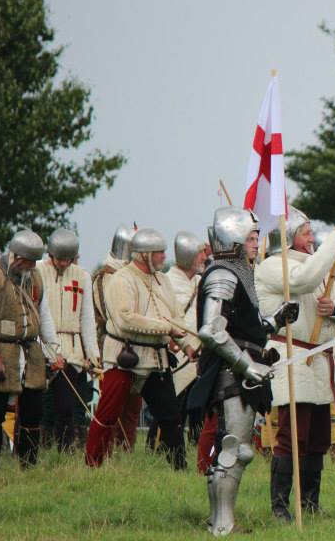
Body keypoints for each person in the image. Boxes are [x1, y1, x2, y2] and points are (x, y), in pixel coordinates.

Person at [188, 207, 298, 536]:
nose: (256, 243)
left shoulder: (240, 273)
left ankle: (223, 521)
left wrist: (278, 318)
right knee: (233, 447)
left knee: (239, 448)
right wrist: (247, 366)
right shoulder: (223, 274)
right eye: (250, 238)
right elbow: (211, 330)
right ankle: (221, 525)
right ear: (234, 241)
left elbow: (249, 327)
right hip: (229, 371)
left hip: (241, 370)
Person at [255, 207, 335, 520]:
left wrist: (334, 308)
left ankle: (310, 504)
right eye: (306, 232)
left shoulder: (320, 268)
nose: (312, 238)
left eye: (313, 232)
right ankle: (282, 508)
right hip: (291, 358)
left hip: (320, 361)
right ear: (287, 238)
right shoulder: (273, 266)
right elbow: (302, 280)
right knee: (290, 439)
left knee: (318, 440)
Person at [85, 229, 198, 469]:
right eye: (159, 253)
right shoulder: (121, 279)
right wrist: (166, 328)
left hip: (156, 359)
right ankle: (93, 464)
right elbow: (125, 318)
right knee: (107, 414)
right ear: (144, 255)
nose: (163, 257)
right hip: (124, 356)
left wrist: (188, 345)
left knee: (171, 417)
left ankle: (179, 467)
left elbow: (177, 316)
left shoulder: (163, 279)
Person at [0, 230, 57, 468]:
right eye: (29, 261)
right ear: (17, 258)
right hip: (2, 351)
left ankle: (29, 466)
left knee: (33, 413)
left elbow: (44, 316)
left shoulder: (34, 277)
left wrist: (54, 351)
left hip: (30, 353)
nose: (32, 266)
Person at [36, 228, 100, 450]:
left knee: (68, 406)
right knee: (43, 406)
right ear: (51, 254)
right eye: (60, 258)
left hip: (73, 351)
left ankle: (65, 452)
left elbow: (87, 318)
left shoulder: (82, 276)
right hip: (42, 346)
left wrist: (93, 354)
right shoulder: (37, 272)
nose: (64, 263)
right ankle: (38, 451)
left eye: (68, 259)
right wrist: (48, 352)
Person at [93, 224, 144, 450]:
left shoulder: (130, 276)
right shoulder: (108, 278)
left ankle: (126, 452)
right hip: (114, 346)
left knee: (132, 407)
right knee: (112, 406)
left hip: (135, 347)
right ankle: (107, 452)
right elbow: (114, 315)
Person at [157, 231, 207, 446]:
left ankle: (197, 447)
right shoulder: (167, 282)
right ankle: (163, 448)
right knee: (173, 409)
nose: (204, 257)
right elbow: (164, 316)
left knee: (198, 408)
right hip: (178, 352)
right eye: (200, 254)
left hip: (200, 354)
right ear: (188, 256)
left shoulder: (202, 282)